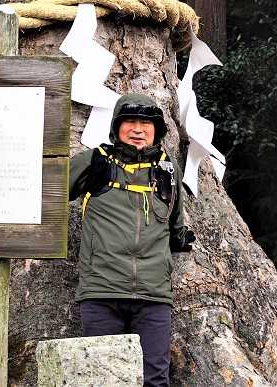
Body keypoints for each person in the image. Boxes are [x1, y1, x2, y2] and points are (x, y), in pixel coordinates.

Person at [69, 93, 196, 387]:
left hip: (153, 296)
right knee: (101, 380)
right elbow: (48, 191)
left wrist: (182, 239)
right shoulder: (95, 162)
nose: (138, 129)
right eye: (130, 122)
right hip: (101, 292)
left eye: (145, 123)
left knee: (155, 379)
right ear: (117, 126)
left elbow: (175, 226)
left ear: (156, 130)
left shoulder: (168, 171)